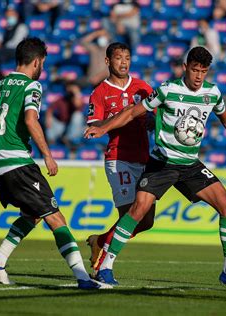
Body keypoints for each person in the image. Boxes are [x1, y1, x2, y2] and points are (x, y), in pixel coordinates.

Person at [85, 46, 226, 287]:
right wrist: (104, 128)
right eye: (195, 70)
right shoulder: (167, 90)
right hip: (162, 163)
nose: (199, 76)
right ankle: (105, 267)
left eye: (204, 71)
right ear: (186, 67)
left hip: (190, 165)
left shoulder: (212, 93)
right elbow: (134, 111)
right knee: (138, 212)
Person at [0, 37, 110, 290]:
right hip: (19, 164)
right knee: (56, 218)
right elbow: (31, 120)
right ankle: (82, 278)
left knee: (33, 214)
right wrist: (47, 154)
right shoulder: (31, 86)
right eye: (43, 63)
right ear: (37, 62)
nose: (43, 68)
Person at [84, 42, 155, 276]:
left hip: (144, 159)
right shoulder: (100, 92)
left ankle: (100, 241)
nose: (123, 62)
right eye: (118, 58)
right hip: (119, 158)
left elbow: (155, 115)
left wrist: (153, 121)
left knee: (146, 221)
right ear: (107, 61)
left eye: (127, 58)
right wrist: (117, 119)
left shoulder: (142, 87)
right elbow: (94, 126)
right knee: (128, 216)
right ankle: (105, 263)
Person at [45, 81, 86, 145]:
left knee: (77, 115)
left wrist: (76, 92)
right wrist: (48, 118)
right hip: (62, 125)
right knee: (51, 119)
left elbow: (77, 105)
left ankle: (70, 140)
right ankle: (51, 142)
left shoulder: (78, 99)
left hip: (75, 127)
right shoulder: (62, 99)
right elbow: (50, 109)